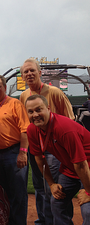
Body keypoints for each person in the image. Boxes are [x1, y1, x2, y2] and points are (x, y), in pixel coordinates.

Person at [19, 58, 75, 225]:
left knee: (57, 189)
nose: (29, 74)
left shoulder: (54, 92)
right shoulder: (23, 95)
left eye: (32, 70)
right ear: (22, 76)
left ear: (39, 72)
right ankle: (43, 220)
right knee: (39, 189)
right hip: (36, 149)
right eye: (26, 72)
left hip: (55, 150)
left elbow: (70, 120)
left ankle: (61, 221)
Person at [25, 94, 90, 225]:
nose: (35, 115)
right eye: (31, 112)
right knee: (57, 202)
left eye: (39, 109)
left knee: (88, 210)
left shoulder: (64, 128)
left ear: (48, 108)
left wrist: (88, 192)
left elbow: (81, 165)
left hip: (86, 167)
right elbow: (39, 159)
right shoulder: (32, 129)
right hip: (70, 168)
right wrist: (51, 184)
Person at [0, 75, 29, 225]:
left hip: (14, 153)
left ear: (5, 88)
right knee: (1, 193)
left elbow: (25, 130)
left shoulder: (15, 104)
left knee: (17, 194)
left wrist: (23, 152)